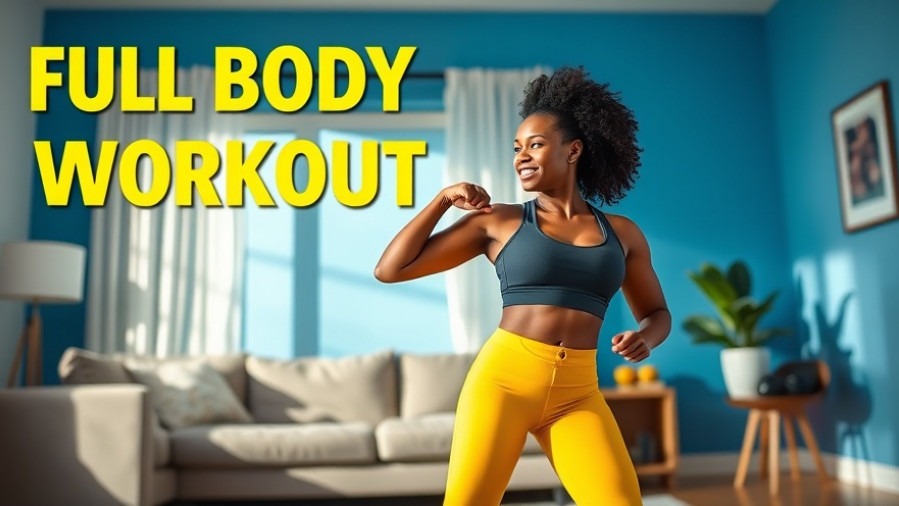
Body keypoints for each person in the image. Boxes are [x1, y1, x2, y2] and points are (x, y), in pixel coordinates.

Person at [374, 66, 670, 506]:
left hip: (578, 392)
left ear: (573, 150)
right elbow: (391, 269)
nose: (521, 156)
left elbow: (657, 314)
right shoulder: (500, 220)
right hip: (503, 383)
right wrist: (441, 201)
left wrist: (645, 338)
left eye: (535, 144)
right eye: (516, 148)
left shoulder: (623, 234)